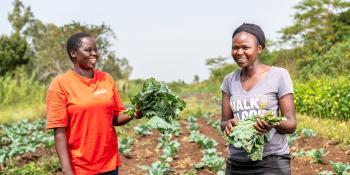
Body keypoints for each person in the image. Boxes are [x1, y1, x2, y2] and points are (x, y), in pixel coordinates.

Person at [46, 32, 142, 175]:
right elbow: (59, 131)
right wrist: (67, 170)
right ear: (73, 53)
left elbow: (115, 118)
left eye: (96, 49)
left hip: (108, 163)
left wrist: (134, 111)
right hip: (80, 167)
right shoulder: (60, 84)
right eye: (88, 50)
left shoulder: (106, 79)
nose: (94, 53)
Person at [220, 23, 296, 175]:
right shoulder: (229, 80)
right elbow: (224, 122)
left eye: (245, 47)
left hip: (272, 160)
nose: (239, 52)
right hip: (237, 162)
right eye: (235, 47)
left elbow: (291, 123)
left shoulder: (278, 75)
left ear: (259, 48)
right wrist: (228, 124)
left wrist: (272, 123)